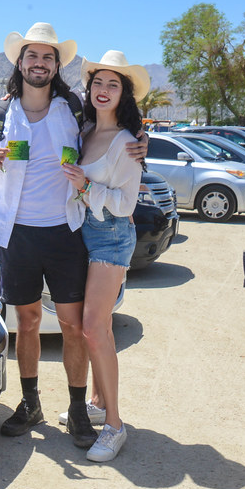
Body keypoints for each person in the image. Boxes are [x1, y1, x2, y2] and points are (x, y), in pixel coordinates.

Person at [0, 23, 146, 449]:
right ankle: (30, 404)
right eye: (33, 56)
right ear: (20, 62)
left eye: (48, 57)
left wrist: (142, 139)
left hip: (66, 233)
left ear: (56, 66)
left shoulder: (73, 111)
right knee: (25, 323)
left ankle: (80, 408)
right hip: (16, 235)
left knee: (71, 326)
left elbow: (112, 127)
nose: (40, 63)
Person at [61, 51, 148, 462]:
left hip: (111, 237)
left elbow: (125, 203)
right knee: (99, 328)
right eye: (98, 82)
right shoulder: (85, 131)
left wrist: (83, 185)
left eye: (113, 85)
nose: (103, 90)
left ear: (123, 94)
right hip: (85, 234)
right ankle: (96, 401)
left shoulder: (127, 144)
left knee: (93, 329)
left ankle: (114, 425)